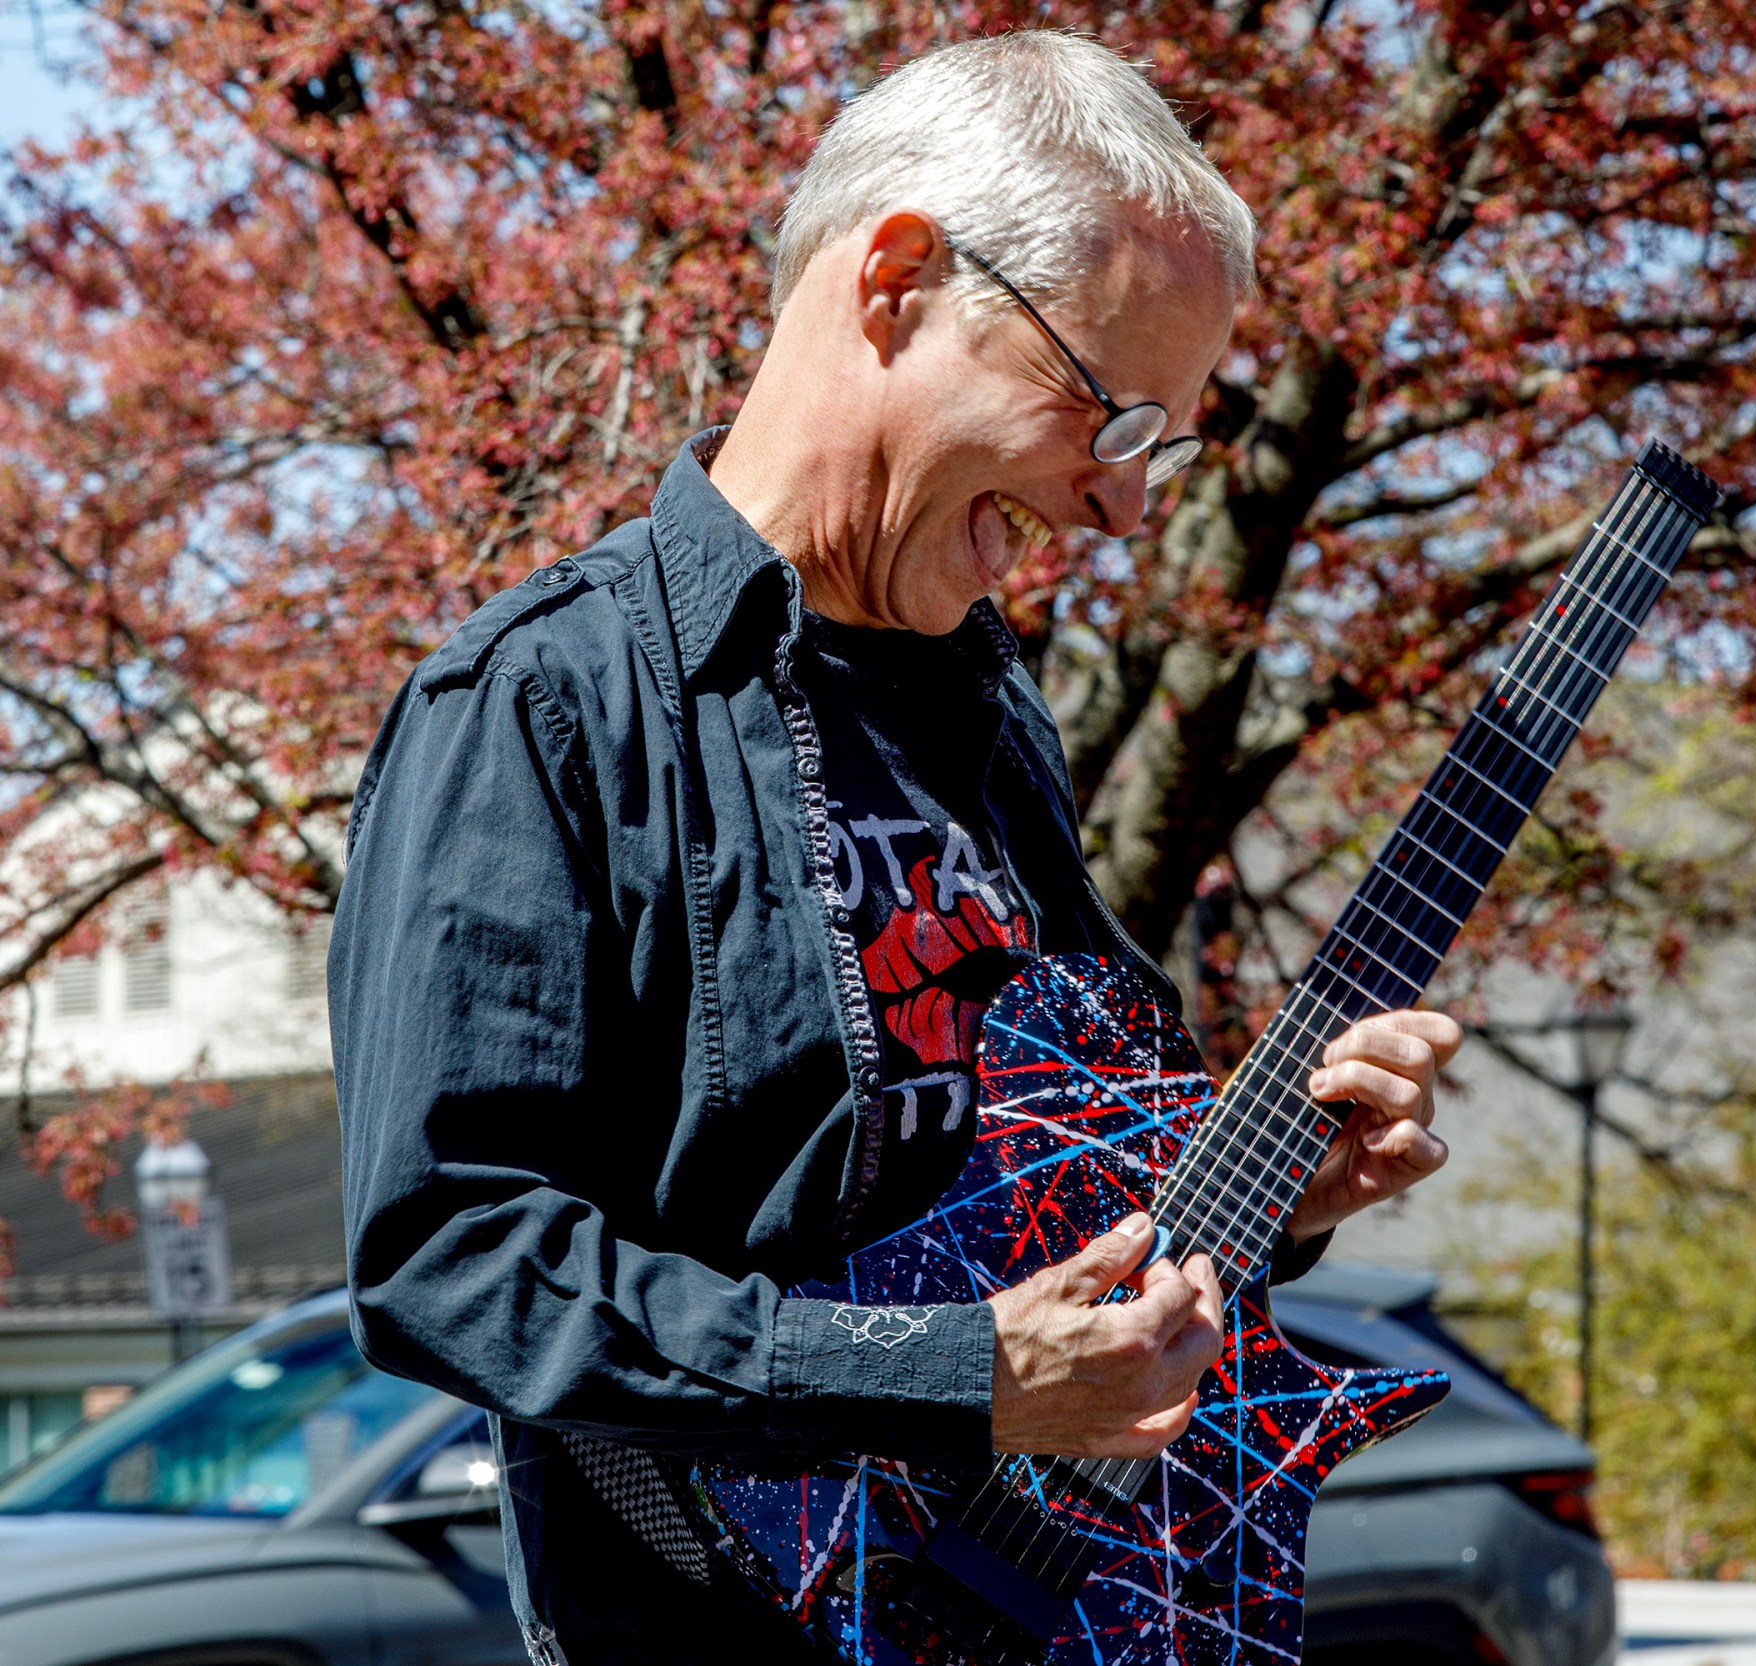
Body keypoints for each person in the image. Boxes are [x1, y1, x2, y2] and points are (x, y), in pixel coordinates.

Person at [331, 30, 1461, 1665]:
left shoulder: (998, 721)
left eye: (1162, 445)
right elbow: (452, 1256)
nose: (1126, 509)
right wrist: (956, 1378)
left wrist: (1277, 1182)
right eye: (1111, 414)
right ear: (900, 281)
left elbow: (1044, 1188)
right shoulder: (538, 703)